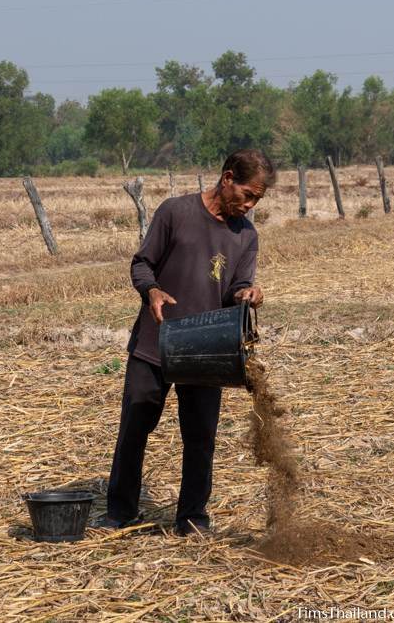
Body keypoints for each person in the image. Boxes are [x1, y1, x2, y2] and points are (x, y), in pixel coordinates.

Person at [100, 149, 276, 535]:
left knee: (200, 439)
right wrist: (153, 291)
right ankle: (120, 512)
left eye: (256, 200)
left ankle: (192, 519)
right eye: (247, 194)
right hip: (155, 342)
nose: (249, 205)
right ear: (227, 177)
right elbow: (141, 263)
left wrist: (249, 294)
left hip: (206, 350)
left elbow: (237, 287)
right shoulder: (175, 212)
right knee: (134, 428)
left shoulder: (245, 235)